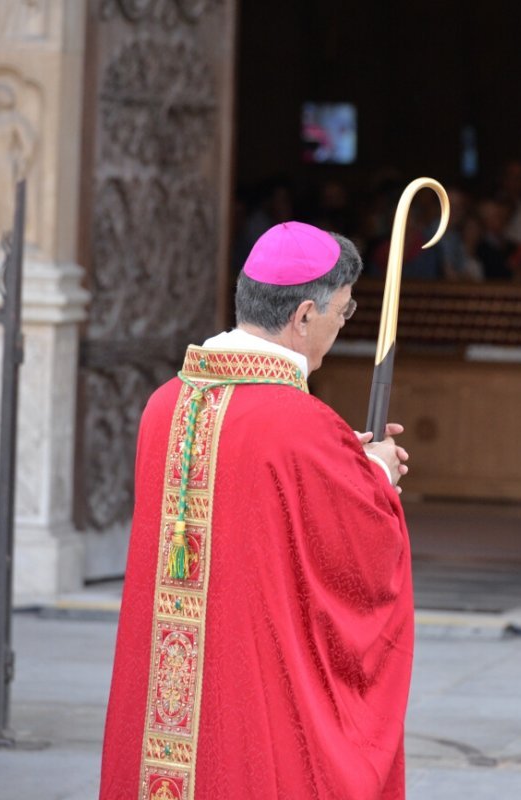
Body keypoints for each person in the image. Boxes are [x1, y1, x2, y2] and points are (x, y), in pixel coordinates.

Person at [100, 222, 415, 799]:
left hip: (167, 697)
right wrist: (376, 473)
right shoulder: (302, 426)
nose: (340, 329)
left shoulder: (163, 404)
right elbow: (357, 555)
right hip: (249, 688)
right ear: (302, 316)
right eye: (341, 314)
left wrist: (347, 459)